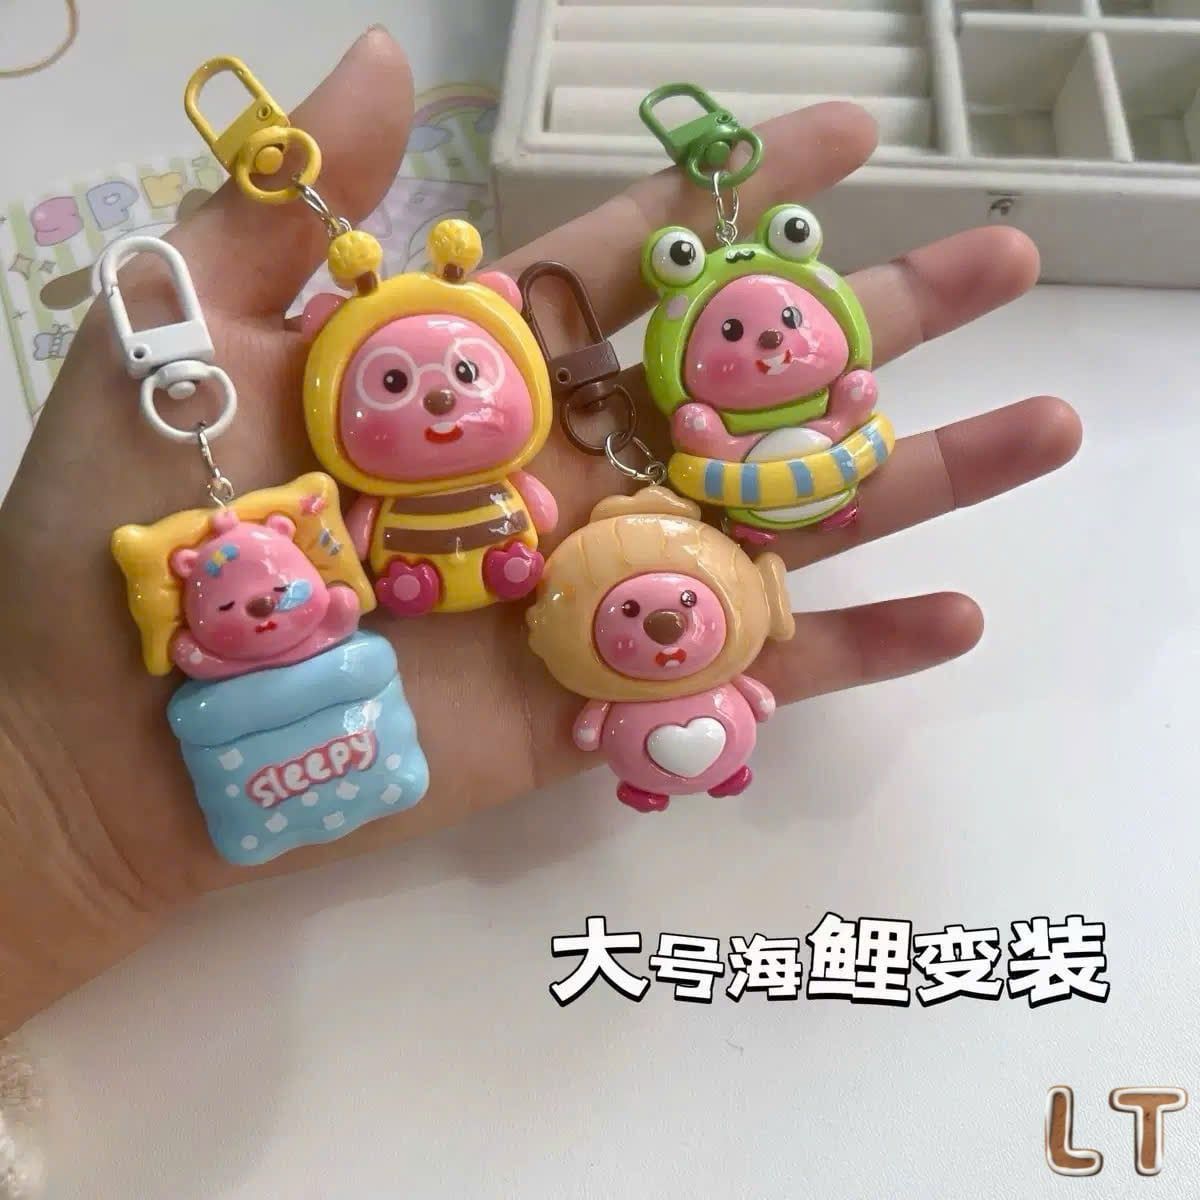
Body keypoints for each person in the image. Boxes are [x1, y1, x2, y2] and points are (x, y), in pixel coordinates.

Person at [0, 27, 1081, 1036]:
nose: (439, 401)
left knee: (525, 535)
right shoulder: (330, 532)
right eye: (395, 384)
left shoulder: (623, 518)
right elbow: (361, 538)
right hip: (437, 551)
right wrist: (52, 793)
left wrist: (61, 822)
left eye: (463, 377)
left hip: (541, 532)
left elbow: (547, 516)